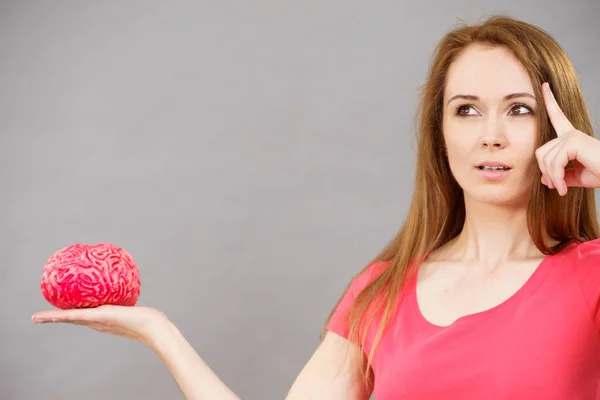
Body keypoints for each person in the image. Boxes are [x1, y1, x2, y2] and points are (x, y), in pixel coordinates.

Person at [32, 15, 600, 399]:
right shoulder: (382, 291)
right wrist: (160, 334)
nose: (490, 135)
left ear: (557, 126)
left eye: (520, 110)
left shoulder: (591, 276)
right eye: (467, 110)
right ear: (440, 133)